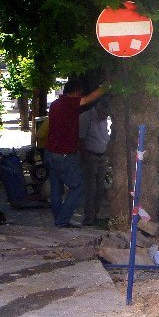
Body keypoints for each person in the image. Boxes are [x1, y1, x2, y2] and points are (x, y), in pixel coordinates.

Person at [45, 78, 106, 228]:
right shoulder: (69, 103)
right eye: (80, 92)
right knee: (78, 186)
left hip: (50, 152)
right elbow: (88, 99)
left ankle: (59, 219)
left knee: (56, 189)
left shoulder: (54, 104)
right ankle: (62, 219)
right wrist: (106, 86)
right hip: (64, 154)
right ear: (76, 91)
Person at [79, 95, 111, 227]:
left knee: (100, 188)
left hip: (102, 156)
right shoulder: (86, 118)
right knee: (90, 188)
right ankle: (89, 217)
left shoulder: (103, 120)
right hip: (90, 155)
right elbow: (80, 139)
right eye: (105, 114)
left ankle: (96, 215)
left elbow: (104, 137)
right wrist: (84, 157)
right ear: (99, 110)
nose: (106, 116)